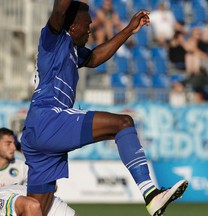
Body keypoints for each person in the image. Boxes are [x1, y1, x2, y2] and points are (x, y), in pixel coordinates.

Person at [20, 1, 188, 216]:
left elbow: (94, 58)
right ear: (72, 27)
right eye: (87, 24)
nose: (91, 29)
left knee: (35, 210)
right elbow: (61, 8)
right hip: (49, 119)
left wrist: (129, 30)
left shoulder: (72, 50)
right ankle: (150, 194)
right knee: (123, 124)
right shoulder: (53, 39)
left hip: (39, 132)